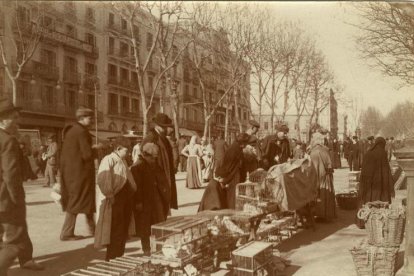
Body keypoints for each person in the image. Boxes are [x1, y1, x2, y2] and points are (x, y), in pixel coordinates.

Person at [0, 98, 44, 274]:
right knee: (15, 240)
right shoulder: (8, 141)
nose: (18, 122)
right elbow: (10, 175)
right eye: (14, 118)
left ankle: (26, 259)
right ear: (3, 119)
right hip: (6, 197)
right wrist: (18, 199)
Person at [95, 137, 136, 261]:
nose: (128, 152)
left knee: (123, 230)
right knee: (115, 230)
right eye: (126, 150)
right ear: (118, 149)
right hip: (116, 199)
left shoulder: (122, 160)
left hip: (125, 200)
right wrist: (110, 195)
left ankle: (120, 256)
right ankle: (112, 258)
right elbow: (103, 179)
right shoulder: (108, 160)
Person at [60, 107, 97, 241]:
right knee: (76, 202)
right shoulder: (81, 132)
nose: (92, 120)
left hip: (72, 173)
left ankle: (94, 229)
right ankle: (67, 233)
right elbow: (87, 154)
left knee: (82, 201)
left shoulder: (72, 131)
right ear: (82, 119)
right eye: (89, 117)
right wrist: (97, 149)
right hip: (81, 174)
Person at [131, 143, 170, 256]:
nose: (154, 159)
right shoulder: (137, 167)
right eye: (153, 157)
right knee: (145, 228)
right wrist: (138, 202)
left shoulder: (154, 164)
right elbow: (136, 187)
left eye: (155, 157)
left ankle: (160, 247)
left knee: (159, 224)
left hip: (155, 200)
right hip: (144, 202)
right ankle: (146, 250)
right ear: (146, 155)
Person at [141, 113, 178, 210]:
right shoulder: (151, 138)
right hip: (156, 180)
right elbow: (145, 161)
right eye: (165, 127)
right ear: (158, 126)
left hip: (164, 177)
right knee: (157, 210)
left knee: (163, 207)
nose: (167, 129)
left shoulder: (163, 138)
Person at [356, 137, 395, 228]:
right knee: (377, 201)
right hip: (379, 183)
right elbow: (386, 171)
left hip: (367, 182)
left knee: (367, 201)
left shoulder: (368, 153)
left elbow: (364, 169)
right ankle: (376, 222)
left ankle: (363, 221)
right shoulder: (382, 153)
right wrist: (389, 185)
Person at [215, 133, 250, 209]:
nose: (246, 145)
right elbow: (228, 166)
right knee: (232, 198)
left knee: (234, 197)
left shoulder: (237, 148)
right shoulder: (234, 149)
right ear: (242, 142)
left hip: (235, 176)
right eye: (246, 143)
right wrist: (224, 179)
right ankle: (232, 213)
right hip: (232, 177)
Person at [309, 132, 336, 222]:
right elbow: (330, 165)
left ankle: (320, 215)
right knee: (327, 195)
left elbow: (312, 167)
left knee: (321, 194)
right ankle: (328, 214)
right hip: (326, 176)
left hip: (318, 177)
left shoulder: (314, 151)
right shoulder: (325, 150)